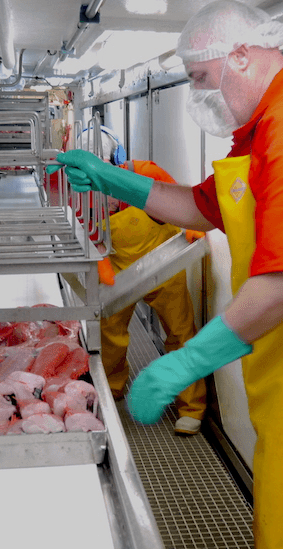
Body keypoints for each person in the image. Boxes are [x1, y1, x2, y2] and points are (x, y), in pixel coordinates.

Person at [51, 2, 283, 549]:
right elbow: (202, 208)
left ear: (241, 56)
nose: (197, 93)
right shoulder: (268, 124)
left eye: (199, 77)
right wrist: (112, 179)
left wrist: (189, 359)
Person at [98, 157, 207, 436]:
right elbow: (85, 231)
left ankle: (191, 407)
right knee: (109, 332)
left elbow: (182, 200)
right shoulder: (80, 193)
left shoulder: (143, 172)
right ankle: (111, 389)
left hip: (162, 262)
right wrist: (98, 261)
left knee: (181, 333)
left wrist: (194, 223)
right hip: (119, 270)